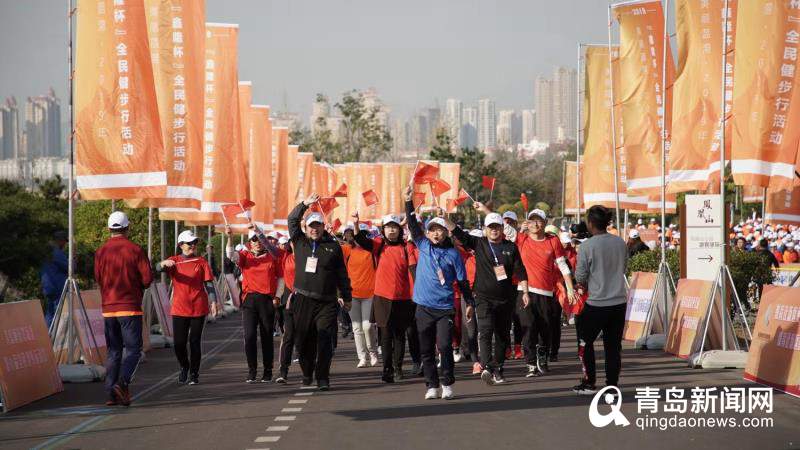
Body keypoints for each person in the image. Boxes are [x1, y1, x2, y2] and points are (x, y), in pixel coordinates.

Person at [403, 186, 474, 400]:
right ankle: (432, 385)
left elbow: (462, 281)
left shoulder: (453, 254)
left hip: (444, 308)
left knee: (444, 345)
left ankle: (447, 383)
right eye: (432, 230)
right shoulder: (423, 245)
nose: (436, 233)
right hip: (423, 307)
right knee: (426, 349)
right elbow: (412, 225)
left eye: (440, 230)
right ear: (427, 233)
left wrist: (469, 302)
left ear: (446, 232)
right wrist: (408, 201)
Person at [446, 211, 527, 385]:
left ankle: (497, 367)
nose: (494, 230)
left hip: (505, 298)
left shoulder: (511, 247)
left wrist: (526, 292)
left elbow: (520, 270)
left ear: (502, 228)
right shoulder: (479, 243)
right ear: (485, 229)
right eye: (490, 227)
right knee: (485, 330)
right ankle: (488, 366)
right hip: (483, 297)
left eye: (497, 227)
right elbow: (459, 233)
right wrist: (446, 219)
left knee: (502, 335)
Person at [288, 194, 352, 391]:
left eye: (318, 226)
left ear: (323, 227)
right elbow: (292, 219)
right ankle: (307, 372)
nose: (314, 229)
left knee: (324, 339)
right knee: (302, 340)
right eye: (311, 226)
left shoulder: (333, 247)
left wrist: (346, 296)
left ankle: (323, 377)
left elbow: (342, 274)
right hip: (303, 300)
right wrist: (305, 204)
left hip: (326, 302)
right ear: (306, 228)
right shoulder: (299, 241)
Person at [94, 211, 153, 407]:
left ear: (109, 229)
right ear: (127, 228)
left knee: (114, 352)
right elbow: (147, 279)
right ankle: (123, 382)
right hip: (129, 307)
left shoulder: (101, 251)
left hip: (108, 308)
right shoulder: (135, 250)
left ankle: (112, 395)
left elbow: (97, 277)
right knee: (134, 351)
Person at [353, 212, 416, 382]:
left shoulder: (406, 247)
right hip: (382, 297)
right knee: (386, 335)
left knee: (399, 336)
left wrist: (416, 294)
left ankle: (398, 368)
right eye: (388, 227)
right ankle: (387, 369)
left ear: (400, 229)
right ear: (383, 230)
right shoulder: (379, 245)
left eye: (394, 227)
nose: (392, 230)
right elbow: (361, 240)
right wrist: (356, 224)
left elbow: (413, 271)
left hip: (403, 298)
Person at [573, 205, 628, 395]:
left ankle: (589, 382)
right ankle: (612, 386)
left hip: (596, 303)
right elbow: (624, 268)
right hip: (619, 303)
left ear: (590, 223)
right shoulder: (620, 242)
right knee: (613, 347)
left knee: (585, 342)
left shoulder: (587, 246)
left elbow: (580, 277)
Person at [515, 208, 577, 378]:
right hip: (524, 291)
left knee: (545, 328)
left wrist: (570, 289)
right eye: (532, 220)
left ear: (544, 223)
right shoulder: (521, 238)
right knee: (528, 327)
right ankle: (530, 363)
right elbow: (502, 227)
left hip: (546, 293)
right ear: (527, 222)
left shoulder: (553, 241)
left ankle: (542, 354)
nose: (535, 224)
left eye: (539, 220)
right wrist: (484, 209)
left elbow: (563, 266)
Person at [156, 230, 216, 385]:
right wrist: (163, 263)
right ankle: (184, 366)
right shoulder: (174, 261)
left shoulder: (201, 262)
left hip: (198, 308)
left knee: (194, 341)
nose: (193, 245)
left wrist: (213, 301)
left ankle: (194, 374)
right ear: (181, 245)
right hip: (180, 308)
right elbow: (157, 268)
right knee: (179, 343)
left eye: (194, 242)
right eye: (189, 243)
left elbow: (209, 284)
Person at [226, 222, 281, 383]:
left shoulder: (272, 256)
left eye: (259, 239)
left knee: (266, 336)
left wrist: (277, 296)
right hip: (249, 300)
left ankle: (268, 371)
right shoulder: (245, 256)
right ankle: (252, 371)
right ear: (249, 242)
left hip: (267, 300)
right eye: (253, 240)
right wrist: (230, 237)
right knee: (249, 336)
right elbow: (231, 255)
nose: (257, 242)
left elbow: (281, 278)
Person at [341, 224, 379, 368]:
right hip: (352, 295)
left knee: (368, 326)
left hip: (370, 294)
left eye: (363, 234)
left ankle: (373, 352)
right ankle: (362, 357)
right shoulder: (347, 250)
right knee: (357, 328)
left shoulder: (371, 251)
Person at [275, 237, 297, 384]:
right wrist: (258, 232)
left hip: (308, 301)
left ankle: (311, 369)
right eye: (294, 242)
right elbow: (270, 248)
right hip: (290, 300)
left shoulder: (311, 256)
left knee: (307, 335)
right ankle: (283, 371)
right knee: (288, 335)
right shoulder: (285, 256)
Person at [41, 230, 68, 327]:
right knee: (57, 314)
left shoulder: (48, 252)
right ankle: (54, 335)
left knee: (50, 313)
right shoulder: (57, 253)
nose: (65, 244)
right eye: (64, 241)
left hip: (48, 287)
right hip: (57, 288)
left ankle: (47, 334)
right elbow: (70, 268)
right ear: (60, 241)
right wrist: (74, 258)